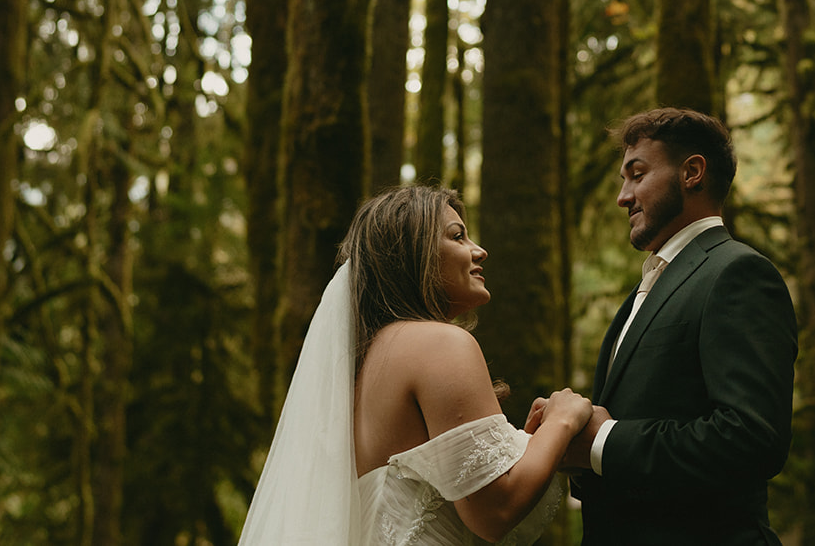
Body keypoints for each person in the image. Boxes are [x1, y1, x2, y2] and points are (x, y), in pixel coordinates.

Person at [239, 184, 591, 546]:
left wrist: (531, 445)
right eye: (458, 237)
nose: (479, 250)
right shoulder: (439, 344)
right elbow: (494, 510)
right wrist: (564, 419)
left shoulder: (364, 364)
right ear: (414, 255)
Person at [532, 107, 797, 545]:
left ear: (692, 172)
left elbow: (751, 440)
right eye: (623, 179)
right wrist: (577, 451)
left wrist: (603, 440)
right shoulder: (646, 291)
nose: (623, 195)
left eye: (637, 174)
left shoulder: (738, 274)